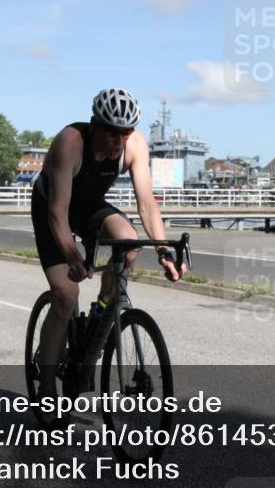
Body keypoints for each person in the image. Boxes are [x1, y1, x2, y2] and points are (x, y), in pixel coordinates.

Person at [32, 88, 186, 399]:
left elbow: (146, 204)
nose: (118, 141)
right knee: (66, 294)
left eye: (125, 133)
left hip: (90, 205)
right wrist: (70, 253)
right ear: (94, 125)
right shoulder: (70, 142)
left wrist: (163, 251)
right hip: (53, 207)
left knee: (129, 244)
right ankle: (47, 382)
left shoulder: (135, 145)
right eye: (111, 133)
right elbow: (58, 214)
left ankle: (102, 311)